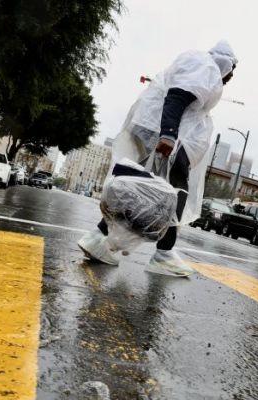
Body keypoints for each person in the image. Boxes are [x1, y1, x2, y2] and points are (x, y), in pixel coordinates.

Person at [78, 40, 237, 276]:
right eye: (231, 73)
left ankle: (99, 237)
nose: (229, 79)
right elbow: (178, 96)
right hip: (165, 132)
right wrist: (169, 135)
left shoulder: (201, 65)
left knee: (141, 188)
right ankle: (163, 254)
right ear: (226, 64)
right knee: (172, 191)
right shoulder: (207, 67)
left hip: (159, 127)